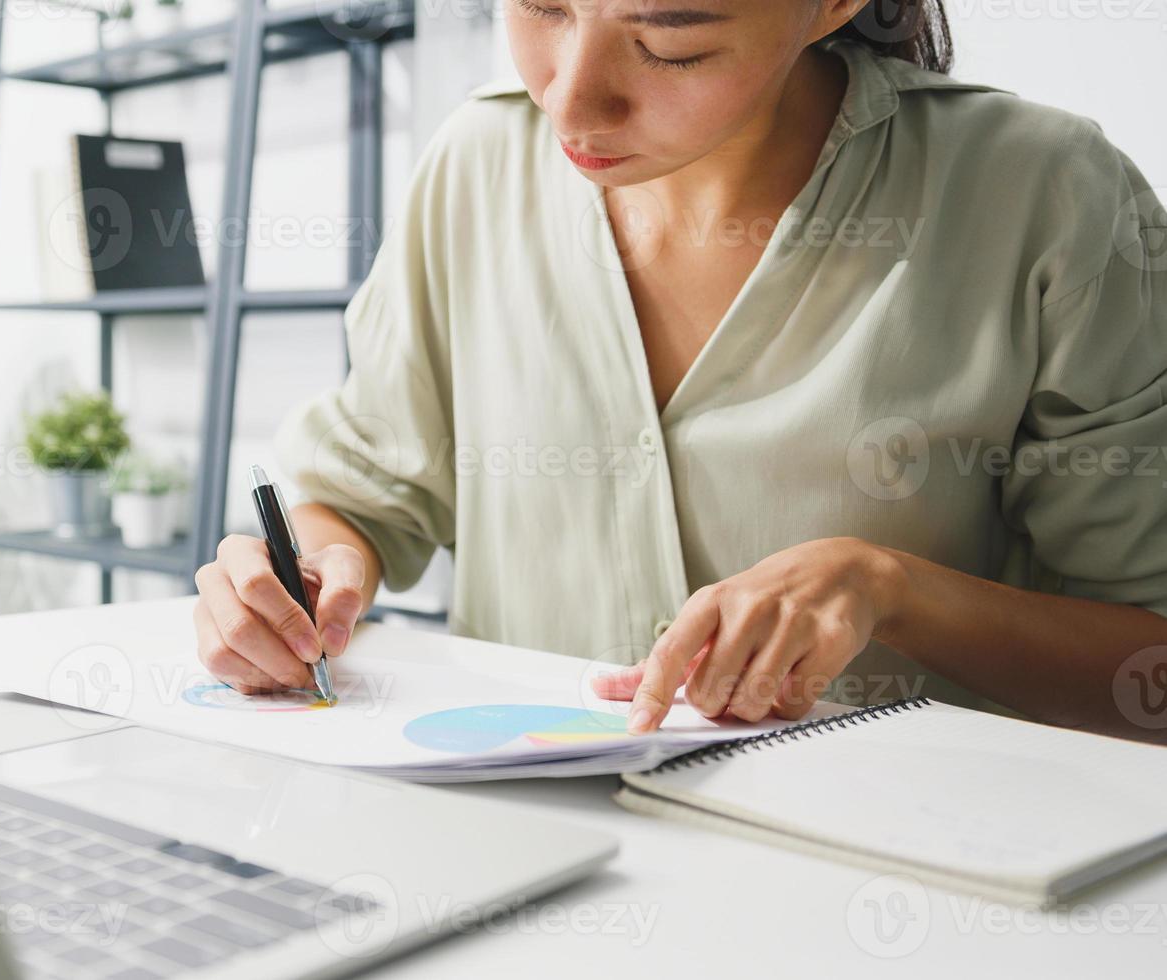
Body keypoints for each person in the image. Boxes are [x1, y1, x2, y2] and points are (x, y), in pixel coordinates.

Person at [193, 0, 1167, 742]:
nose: (567, 99)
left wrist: (887, 587)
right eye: (539, 6)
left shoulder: (1043, 194)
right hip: (515, 877)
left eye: (670, 44)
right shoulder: (472, 166)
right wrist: (311, 577)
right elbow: (362, 494)